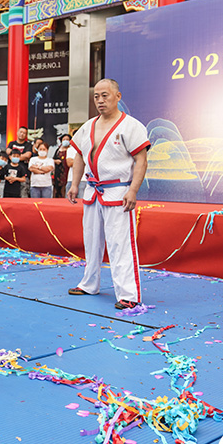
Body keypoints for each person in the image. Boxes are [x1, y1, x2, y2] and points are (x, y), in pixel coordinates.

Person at [66, 78, 150, 310]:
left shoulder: (131, 125)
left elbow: (141, 160)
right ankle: (89, 283)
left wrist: (133, 189)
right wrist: (75, 185)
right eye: (96, 96)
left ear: (118, 97)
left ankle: (128, 294)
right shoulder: (88, 125)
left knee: (119, 244)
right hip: (92, 190)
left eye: (105, 95)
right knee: (90, 241)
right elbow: (80, 156)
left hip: (118, 191)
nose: (100, 100)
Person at [7, 126, 33, 197]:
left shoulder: (28, 145)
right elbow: (7, 151)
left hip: (23, 174)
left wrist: (13, 156)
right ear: (17, 133)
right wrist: (22, 156)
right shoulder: (11, 143)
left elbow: (28, 155)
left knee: (23, 195)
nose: (22, 134)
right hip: (10, 175)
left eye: (24, 133)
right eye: (21, 132)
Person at [52, 134, 71, 198]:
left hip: (68, 171)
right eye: (64, 139)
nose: (65, 141)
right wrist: (55, 161)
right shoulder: (58, 150)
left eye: (67, 139)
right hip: (58, 173)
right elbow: (53, 159)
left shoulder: (71, 150)